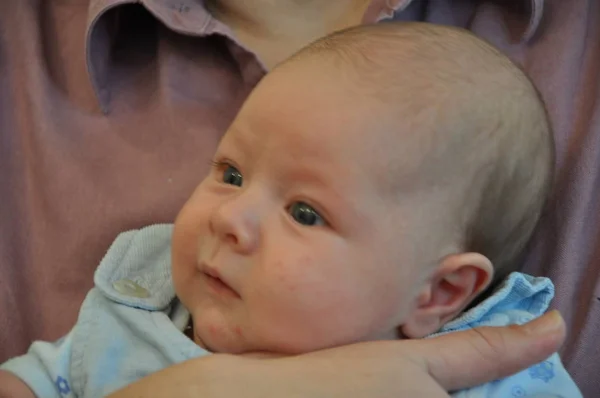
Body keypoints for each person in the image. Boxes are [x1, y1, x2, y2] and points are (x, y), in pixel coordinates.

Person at [1, 1, 599, 397]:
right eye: (231, 173)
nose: (231, 217)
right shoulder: (137, 313)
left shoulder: (500, 373)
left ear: (438, 292)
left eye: (305, 213)